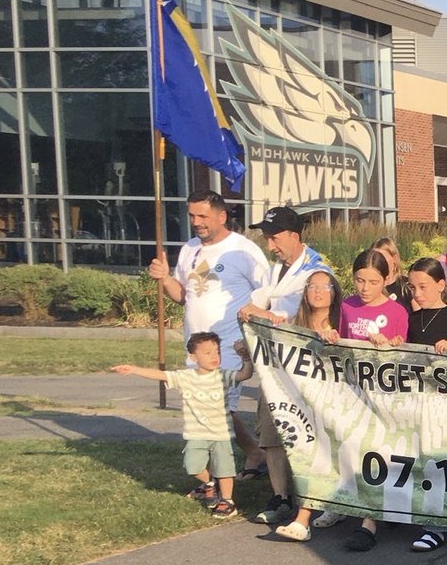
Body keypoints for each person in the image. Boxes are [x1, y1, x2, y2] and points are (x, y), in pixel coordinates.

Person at [148, 190, 267, 472]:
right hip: (196, 346)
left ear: (221, 216)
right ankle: (251, 454)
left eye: (203, 215)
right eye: (192, 216)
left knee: (218, 408)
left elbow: (266, 290)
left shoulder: (243, 250)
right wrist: (164, 278)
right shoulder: (189, 249)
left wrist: (251, 317)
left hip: (230, 344)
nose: (197, 221)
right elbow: (183, 295)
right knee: (212, 408)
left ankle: (218, 477)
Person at [238, 206, 334, 517]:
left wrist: (265, 316)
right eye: (267, 239)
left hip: (305, 368)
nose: (271, 246)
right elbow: (254, 305)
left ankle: (315, 496)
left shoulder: (316, 271)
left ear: (294, 236)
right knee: (271, 431)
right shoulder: (274, 270)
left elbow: (306, 319)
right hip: (273, 365)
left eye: (275, 238)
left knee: (308, 434)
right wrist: (257, 315)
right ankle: (280, 497)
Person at [112, 332, 253, 519]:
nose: (214, 357)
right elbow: (160, 374)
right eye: (208, 353)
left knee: (225, 469)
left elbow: (245, 374)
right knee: (192, 466)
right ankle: (210, 484)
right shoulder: (185, 377)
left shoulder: (223, 376)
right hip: (196, 434)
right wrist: (134, 369)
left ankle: (227, 501)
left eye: (217, 352)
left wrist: (246, 358)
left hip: (221, 434)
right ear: (193, 357)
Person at [341, 249, 412, 553]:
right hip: (353, 392)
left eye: (372, 281)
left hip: (385, 396)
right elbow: (341, 347)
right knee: (358, 451)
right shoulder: (346, 306)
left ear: (387, 280)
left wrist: (391, 347)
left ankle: (381, 514)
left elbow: (407, 357)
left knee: (383, 453)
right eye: (359, 280)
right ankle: (365, 517)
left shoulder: (398, 312)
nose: (365, 288)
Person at [403, 257, 447, 554]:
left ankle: (442, 523)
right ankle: (429, 521)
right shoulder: (411, 317)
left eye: (423, 286)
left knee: (446, 461)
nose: (417, 293)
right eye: (412, 287)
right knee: (424, 460)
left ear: (441, 286)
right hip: (419, 401)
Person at [272, 271, 346, 541]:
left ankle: (313, 514)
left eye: (323, 286)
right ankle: (306, 516)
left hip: (335, 400)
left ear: (334, 292)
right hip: (303, 402)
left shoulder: (342, 322)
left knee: (329, 455)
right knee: (311, 454)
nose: (316, 291)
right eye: (311, 286)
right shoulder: (295, 324)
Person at [372, 236, 412, 306]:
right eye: (374, 258)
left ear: (394, 259)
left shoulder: (406, 286)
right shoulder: (371, 286)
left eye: (383, 258)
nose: (378, 262)